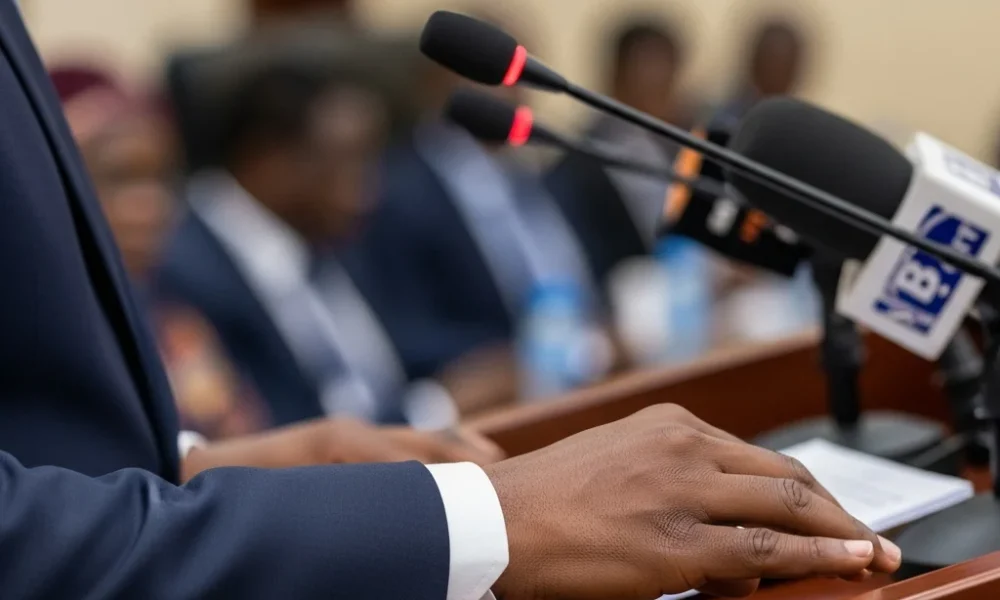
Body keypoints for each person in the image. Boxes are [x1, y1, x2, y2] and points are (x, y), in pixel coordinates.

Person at [0, 3, 901, 598]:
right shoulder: (209, 265)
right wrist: (488, 517)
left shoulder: (336, 243)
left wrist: (196, 462)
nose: (367, 191)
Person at [157, 62, 491, 429]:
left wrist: (489, 362)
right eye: (345, 162)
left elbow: (397, 348)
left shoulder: (327, 232)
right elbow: (270, 433)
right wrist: (435, 409)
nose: (367, 192)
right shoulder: (185, 271)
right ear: (267, 160)